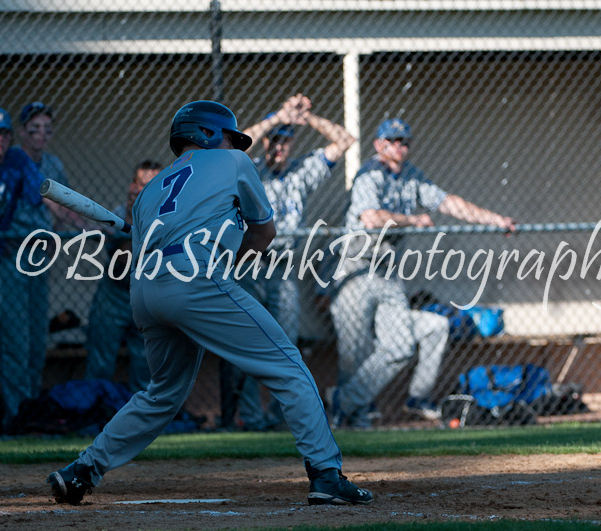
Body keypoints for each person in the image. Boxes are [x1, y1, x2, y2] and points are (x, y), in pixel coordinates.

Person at [46, 100, 372, 507]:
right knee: (289, 367)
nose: (234, 145)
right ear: (206, 134)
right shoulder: (233, 162)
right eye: (229, 137)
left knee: (161, 393)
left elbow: (144, 246)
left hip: (145, 290)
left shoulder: (150, 189)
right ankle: (326, 474)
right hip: (195, 278)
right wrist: (225, 264)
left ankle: (82, 471)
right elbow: (263, 232)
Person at [327, 117, 516, 428]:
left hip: (387, 271)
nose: (400, 147)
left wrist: (495, 220)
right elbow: (372, 218)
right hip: (356, 268)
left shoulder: (412, 177)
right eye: (393, 141)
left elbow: (448, 202)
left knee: (400, 345)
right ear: (379, 145)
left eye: (404, 142)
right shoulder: (369, 174)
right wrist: (414, 220)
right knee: (354, 353)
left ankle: (343, 402)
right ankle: (350, 418)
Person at [217, 93, 356, 431]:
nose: (279, 147)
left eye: (285, 143)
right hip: (248, 264)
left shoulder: (301, 172)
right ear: (265, 141)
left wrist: (305, 119)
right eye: (275, 141)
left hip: (284, 266)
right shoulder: (249, 168)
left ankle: (284, 418)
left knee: (285, 343)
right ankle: (249, 417)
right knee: (250, 340)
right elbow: (228, 151)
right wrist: (279, 117)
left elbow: (346, 140)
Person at [0, 102, 83, 419]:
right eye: (34, 129)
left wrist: (56, 236)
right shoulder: (12, 162)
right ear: (22, 132)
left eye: (47, 129)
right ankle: (14, 413)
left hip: (40, 255)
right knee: (16, 339)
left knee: (36, 338)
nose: (41, 135)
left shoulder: (53, 164)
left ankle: (31, 407)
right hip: (13, 251)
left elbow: (64, 205)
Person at [0, 107, 45, 430]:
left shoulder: (17, 161)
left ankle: (16, 417)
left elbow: (42, 196)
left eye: (4, 133)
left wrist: (84, 220)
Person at [83, 160, 163, 393]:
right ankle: (95, 414)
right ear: (132, 187)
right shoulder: (118, 213)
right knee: (100, 360)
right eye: (141, 184)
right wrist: (130, 215)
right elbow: (120, 256)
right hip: (115, 292)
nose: (145, 190)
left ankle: (142, 422)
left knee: (145, 364)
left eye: (153, 185)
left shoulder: (166, 218)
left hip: (147, 296)